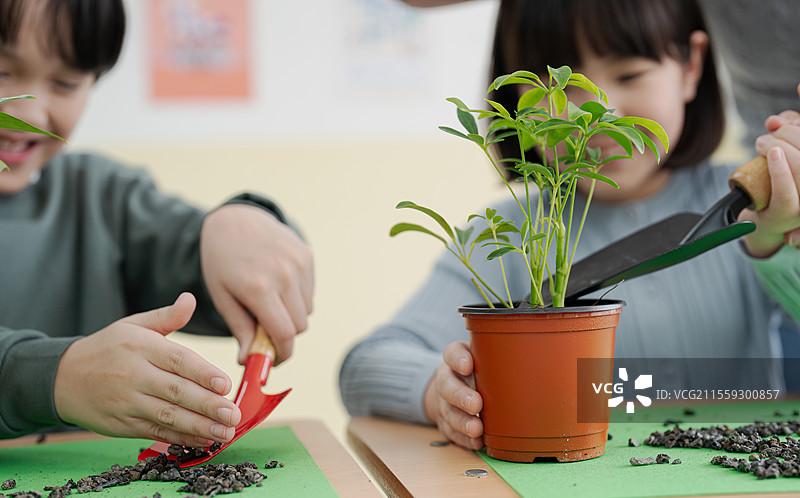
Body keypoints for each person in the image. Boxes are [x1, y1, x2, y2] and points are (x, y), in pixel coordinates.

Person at [340, 0, 800, 450]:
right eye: (557, 88)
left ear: (691, 67)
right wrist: (438, 393)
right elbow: (365, 366)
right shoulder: (508, 231)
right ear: (515, 97)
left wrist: (771, 241)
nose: (593, 114)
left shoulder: (752, 208)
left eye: (629, 74)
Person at [0, 0, 314, 446]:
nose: (30, 113)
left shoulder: (103, 197)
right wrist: (56, 377)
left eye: (66, 83)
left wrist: (242, 221)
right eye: (2, 74)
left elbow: (208, 257)